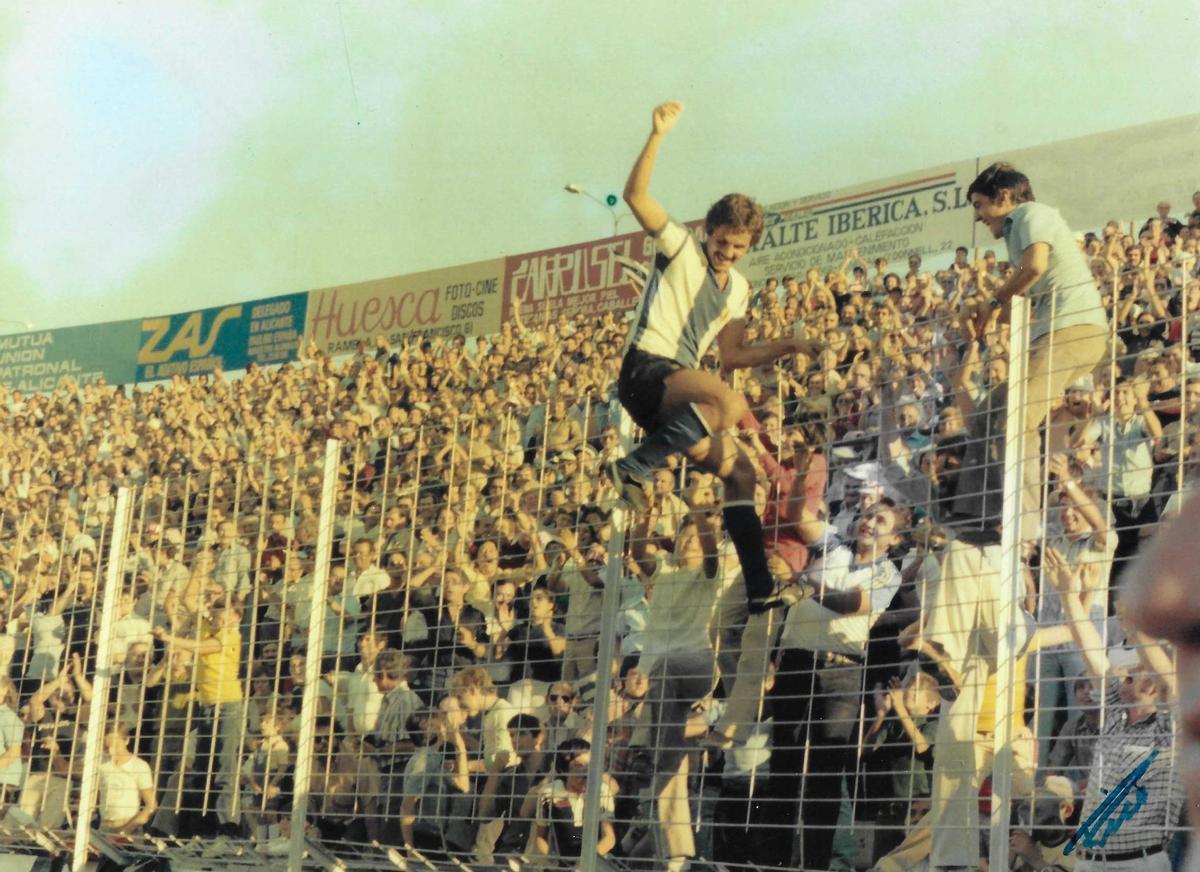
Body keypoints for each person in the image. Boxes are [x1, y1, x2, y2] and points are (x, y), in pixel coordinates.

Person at [610, 101, 811, 612]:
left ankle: (761, 589)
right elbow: (636, 196)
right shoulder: (679, 246)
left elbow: (735, 354)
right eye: (723, 242)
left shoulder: (740, 288)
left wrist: (789, 344)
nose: (728, 252)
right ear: (709, 232)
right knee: (727, 400)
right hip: (647, 371)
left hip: (681, 399)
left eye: (739, 246)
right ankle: (635, 466)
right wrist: (657, 134)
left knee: (741, 473)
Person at [967, 162, 1108, 545]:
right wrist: (983, 312)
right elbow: (1027, 307)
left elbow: (1035, 267)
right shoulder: (1018, 234)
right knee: (984, 417)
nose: (978, 217)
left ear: (1006, 198)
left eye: (980, 205)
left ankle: (1021, 524)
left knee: (1016, 419)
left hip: (1073, 331)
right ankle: (982, 511)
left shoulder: (1031, 214)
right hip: (1053, 332)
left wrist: (994, 300)